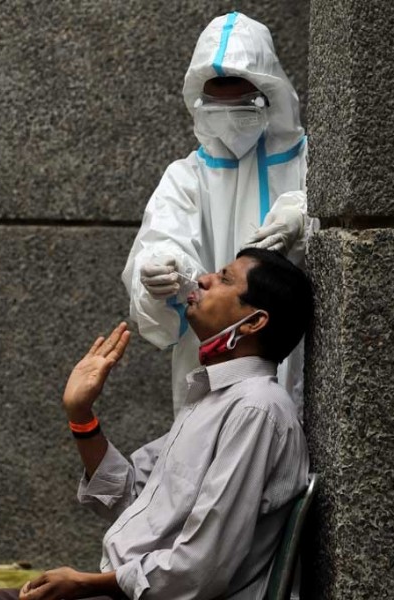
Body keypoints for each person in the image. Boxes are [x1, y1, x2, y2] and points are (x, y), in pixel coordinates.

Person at [0, 249, 314, 600]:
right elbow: (130, 500)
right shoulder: (214, 396)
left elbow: (202, 567)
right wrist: (81, 415)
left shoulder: (256, 410)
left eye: (225, 279)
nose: (203, 279)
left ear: (254, 321)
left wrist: (84, 584)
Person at [122, 12, 312, 415]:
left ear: (270, 95)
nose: (228, 119)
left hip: (302, 371)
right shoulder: (186, 178)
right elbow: (159, 253)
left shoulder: (308, 163)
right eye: (214, 106)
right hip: (212, 381)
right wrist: (159, 275)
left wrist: (304, 217)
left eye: (243, 106)